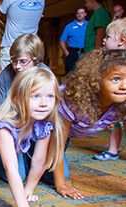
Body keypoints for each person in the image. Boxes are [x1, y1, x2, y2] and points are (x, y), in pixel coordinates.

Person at [0, 67, 64, 207]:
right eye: (35, 96)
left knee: (26, 173)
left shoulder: (44, 122)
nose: (44, 103)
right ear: (17, 98)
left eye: (50, 96)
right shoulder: (5, 125)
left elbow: (39, 160)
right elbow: (11, 169)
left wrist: (28, 191)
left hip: (13, 149)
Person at [53, 49, 126, 197]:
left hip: (60, 140)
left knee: (48, 168)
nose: (124, 86)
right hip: (35, 134)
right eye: (116, 79)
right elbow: (57, 143)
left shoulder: (121, 102)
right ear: (96, 80)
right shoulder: (74, 99)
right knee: (21, 172)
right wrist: (61, 185)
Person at [93, 18, 126, 161]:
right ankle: (113, 150)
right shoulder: (107, 60)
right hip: (116, 103)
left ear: (121, 40)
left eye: (108, 37)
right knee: (115, 124)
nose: (103, 40)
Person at [0, 33, 49, 106]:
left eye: (23, 61)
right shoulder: (6, 73)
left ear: (36, 60)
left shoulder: (46, 75)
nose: (17, 66)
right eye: (14, 61)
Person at [0, 0, 45, 72]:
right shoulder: (42, 1)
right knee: (29, 80)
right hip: (31, 48)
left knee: (6, 81)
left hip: (10, 47)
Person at [60, 7, 88, 74]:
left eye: (82, 13)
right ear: (76, 15)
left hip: (86, 52)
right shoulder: (69, 26)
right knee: (71, 73)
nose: (80, 15)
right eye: (78, 13)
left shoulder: (89, 25)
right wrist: (66, 52)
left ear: (85, 14)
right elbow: (62, 41)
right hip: (73, 52)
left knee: (85, 72)